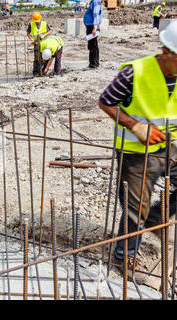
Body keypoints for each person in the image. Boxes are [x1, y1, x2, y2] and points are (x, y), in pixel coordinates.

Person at [98, 20, 177, 284]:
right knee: (135, 208)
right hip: (135, 150)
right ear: (166, 52)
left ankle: (156, 219)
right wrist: (136, 126)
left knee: (147, 213)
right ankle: (124, 255)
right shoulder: (136, 72)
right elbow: (106, 101)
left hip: (169, 145)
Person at [83, 0, 103, 68]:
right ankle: (95, 62)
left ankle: (93, 64)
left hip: (92, 27)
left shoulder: (95, 1)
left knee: (92, 45)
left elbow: (96, 14)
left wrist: (95, 27)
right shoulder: (94, 1)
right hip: (92, 26)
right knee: (94, 45)